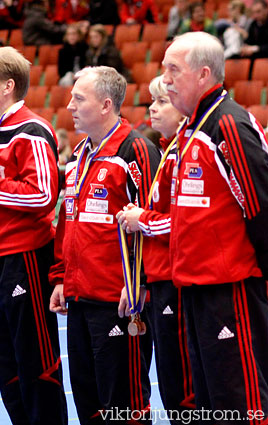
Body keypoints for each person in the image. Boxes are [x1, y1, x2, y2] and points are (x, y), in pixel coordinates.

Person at [160, 31, 268, 420]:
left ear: (204, 74)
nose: (165, 79)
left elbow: (261, 208)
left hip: (230, 292)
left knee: (241, 404)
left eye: (173, 70)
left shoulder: (229, 126)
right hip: (195, 290)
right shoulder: (190, 129)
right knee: (210, 404)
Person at [0, 46, 68, 424]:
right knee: (8, 367)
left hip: (25, 260)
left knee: (36, 364)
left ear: (8, 86)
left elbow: (41, 195)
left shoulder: (30, 131)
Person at [48, 66, 160, 425]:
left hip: (119, 299)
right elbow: (69, 219)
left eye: (79, 98)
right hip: (80, 297)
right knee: (87, 397)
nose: (70, 105)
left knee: (123, 403)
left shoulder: (135, 150)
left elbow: (153, 219)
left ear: (106, 104)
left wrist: (140, 281)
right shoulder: (80, 154)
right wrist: (62, 277)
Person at [116, 76, 197, 425]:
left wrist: (141, 219)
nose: (152, 108)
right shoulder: (169, 150)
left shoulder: (186, 152)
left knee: (185, 388)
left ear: (182, 108)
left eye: (161, 102)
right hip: (162, 279)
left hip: (178, 282)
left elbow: (185, 223)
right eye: (152, 101)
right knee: (170, 383)